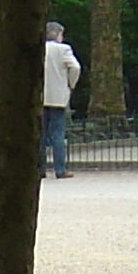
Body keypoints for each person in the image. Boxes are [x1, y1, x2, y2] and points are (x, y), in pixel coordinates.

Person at [40, 23, 82, 178]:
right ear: (58, 34)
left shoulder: (39, 48)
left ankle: (40, 169)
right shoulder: (63, 49)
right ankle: (60, 169)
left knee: (41, 135)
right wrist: (70, 84)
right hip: (58, 96)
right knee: (58, 134)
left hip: (41, 96)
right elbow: (75, 68)